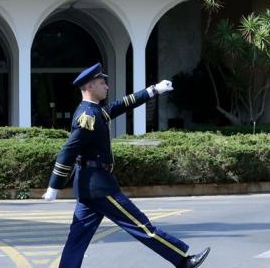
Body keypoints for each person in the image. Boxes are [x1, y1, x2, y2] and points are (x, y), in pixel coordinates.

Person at [42, 62, 210, 268]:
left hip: (90, 186)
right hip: (100, 187)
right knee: (140, 225)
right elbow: (69, 150)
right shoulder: (88, 116)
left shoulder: (95, 111)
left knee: (78, 238)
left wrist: (153, 90)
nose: (107, 86)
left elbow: (121, 104)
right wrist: (54, 185)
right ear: (89, 87)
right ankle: (182, 261)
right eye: (102, 83)